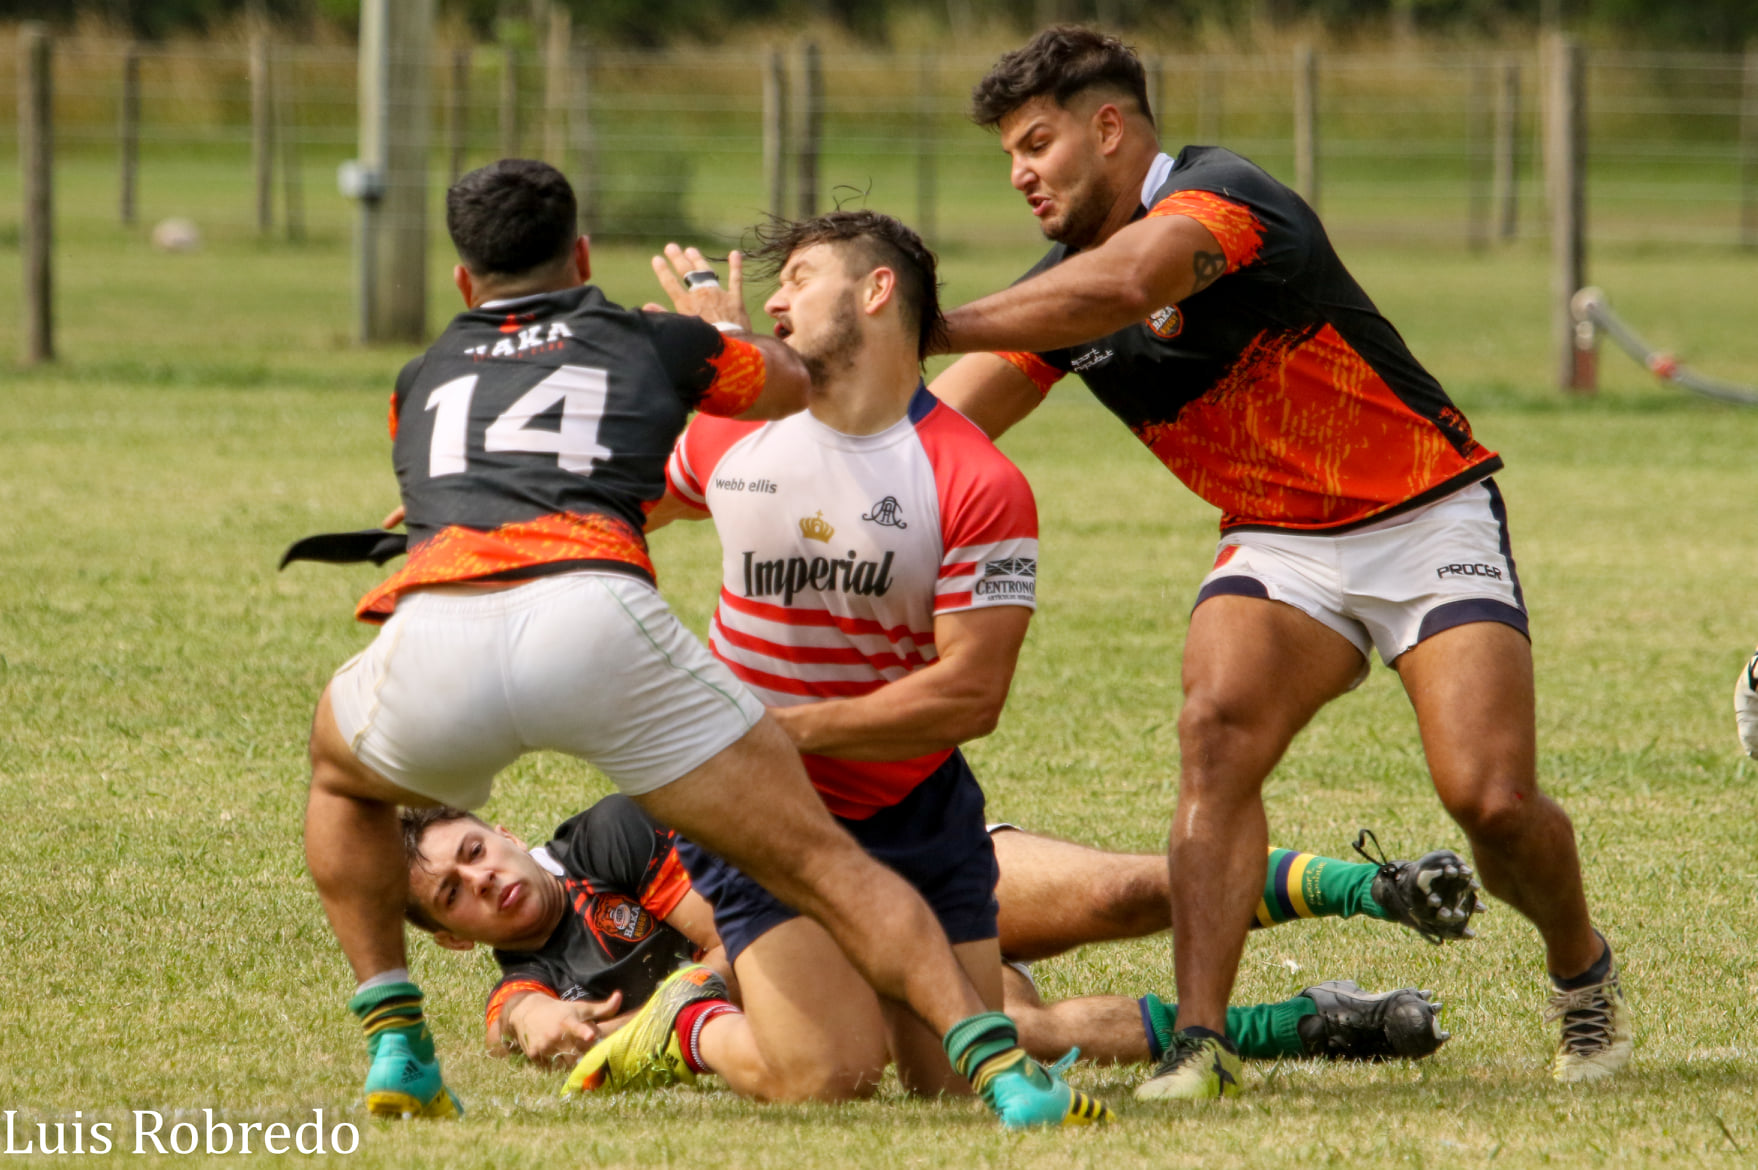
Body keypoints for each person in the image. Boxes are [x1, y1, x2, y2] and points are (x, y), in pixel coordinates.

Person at [560, 210, 1464, 1108]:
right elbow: (601, 510)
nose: (779, 302)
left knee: (951, 1082)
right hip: (767, 815)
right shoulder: (729, 436)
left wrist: (771, 728)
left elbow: (969, 697)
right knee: (828, 1077)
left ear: (878, 292)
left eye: (800, 278)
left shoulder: (974, 481)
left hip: (912, 811)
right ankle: (684, 1026)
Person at [294, 159, 1088, 1129]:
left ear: (464, 285)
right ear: (581, 257)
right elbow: (791, 385)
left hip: (439, 625)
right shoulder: (648, 340)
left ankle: (398, 1041)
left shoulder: (418, 377)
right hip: (591, 618)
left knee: (340, 779)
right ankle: (1002, 1070)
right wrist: (718, 327)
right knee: (828, 864)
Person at [925, 27, 1631, 1098]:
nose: (1021, 174)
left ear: (1108, 127)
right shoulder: (1062, 293)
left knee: (1490, 800)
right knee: (1213, 732)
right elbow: (938, 431)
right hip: (1278, 542)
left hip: (1424, 513)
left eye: (1035, 144)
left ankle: (1581, 971)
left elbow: (1128, 282)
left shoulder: (1221, 201)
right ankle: (1198, 1045)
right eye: (1010, 156)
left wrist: (926, 319)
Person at [398, 799, 1470, 1068]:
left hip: (900, 861)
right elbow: (519, 1019)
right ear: (447, 938)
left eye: (471, 850)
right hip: (876, 970)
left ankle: (1372, 888)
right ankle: (1313, 1024)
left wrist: (678, 1003)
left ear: (498, 825)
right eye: (449, 894)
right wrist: (534, 1027)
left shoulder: (607, 838)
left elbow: (725, 944)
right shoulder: (523, 972)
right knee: (1026, 1032)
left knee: (1117, 895)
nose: (478, 882)